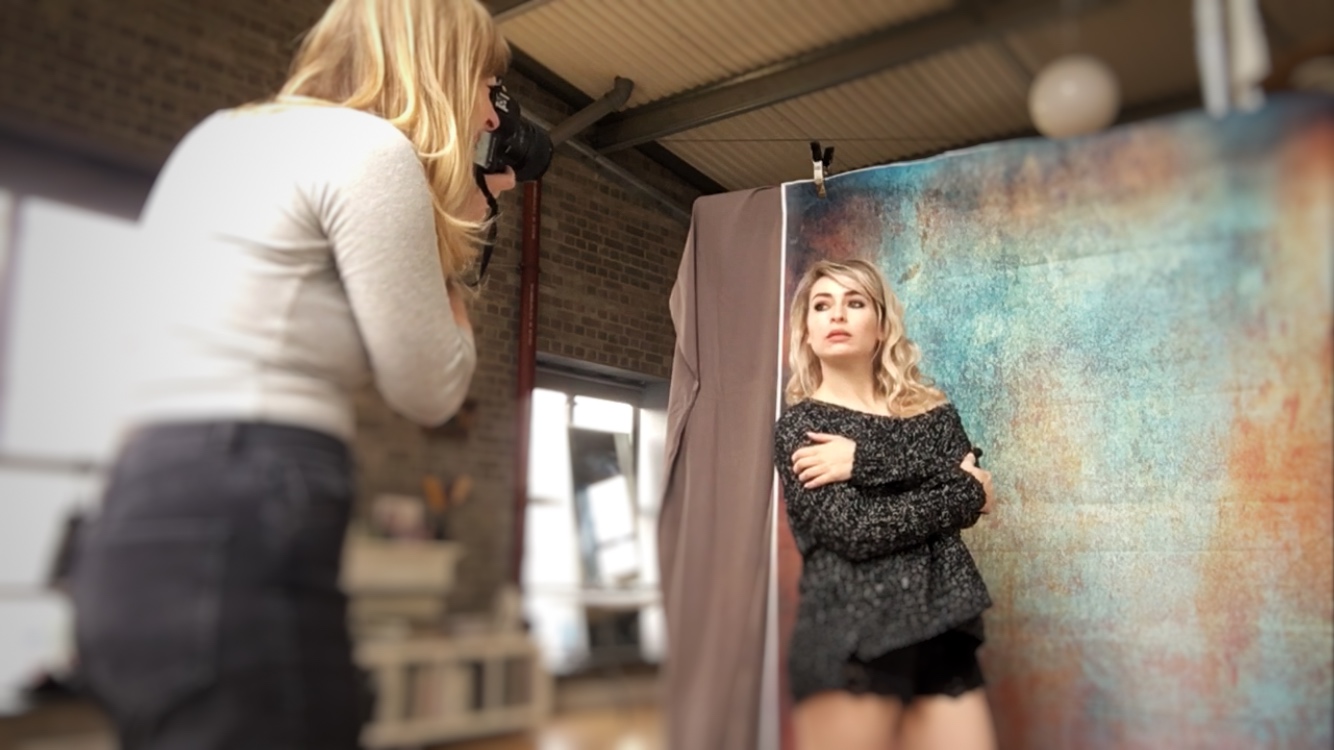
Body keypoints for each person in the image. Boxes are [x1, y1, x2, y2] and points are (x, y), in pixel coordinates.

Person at [67, 1, 518, 748]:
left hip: (135, 509)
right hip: (248, 490)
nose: (493, 115)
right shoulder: (371, 149)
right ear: (437, 69)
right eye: (483, 82)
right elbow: (431, 389)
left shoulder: (220, 135)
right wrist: (465, 236)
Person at [773, 258, 998, 750]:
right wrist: (960, 490)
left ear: (880, 326)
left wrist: (862, 460)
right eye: (822, 305)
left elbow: (982, 494)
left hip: (941, 626)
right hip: (852, 633)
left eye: (854, 302)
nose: (837, 315)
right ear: (806, 331)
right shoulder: (801, 428)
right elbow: (856, 531)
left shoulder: (933, 411)